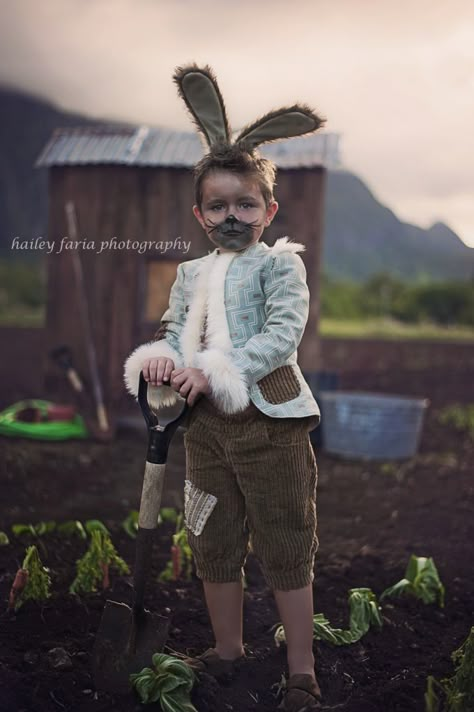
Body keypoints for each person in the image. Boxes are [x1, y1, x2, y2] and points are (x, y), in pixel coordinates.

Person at [124, 63, 325, 712]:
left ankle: (301, 669)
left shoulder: (280, 270)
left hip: (271, 428)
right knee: (212, 539)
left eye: (246, 204)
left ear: (267, 210)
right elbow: (177, 330)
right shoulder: (189, 274)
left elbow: (279, 338)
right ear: (201, 213)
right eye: (219, 205)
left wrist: (213, 368)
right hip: (205, 433)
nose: (232, 215)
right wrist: (162, 359)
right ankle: (229, 648)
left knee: (285, 542)